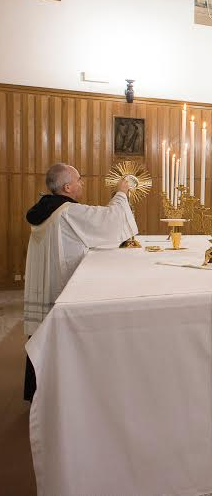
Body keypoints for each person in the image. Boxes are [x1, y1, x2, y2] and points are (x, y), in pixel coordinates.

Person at [23, 163, 138, 400]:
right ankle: (62, 395)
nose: (82, 183)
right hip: (62, 286)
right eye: (79, 180)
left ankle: (41, 390)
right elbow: (109, 221)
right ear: (67, 187)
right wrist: (121, 193)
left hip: (45, 285)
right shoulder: (66, 211)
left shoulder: (44, 208)